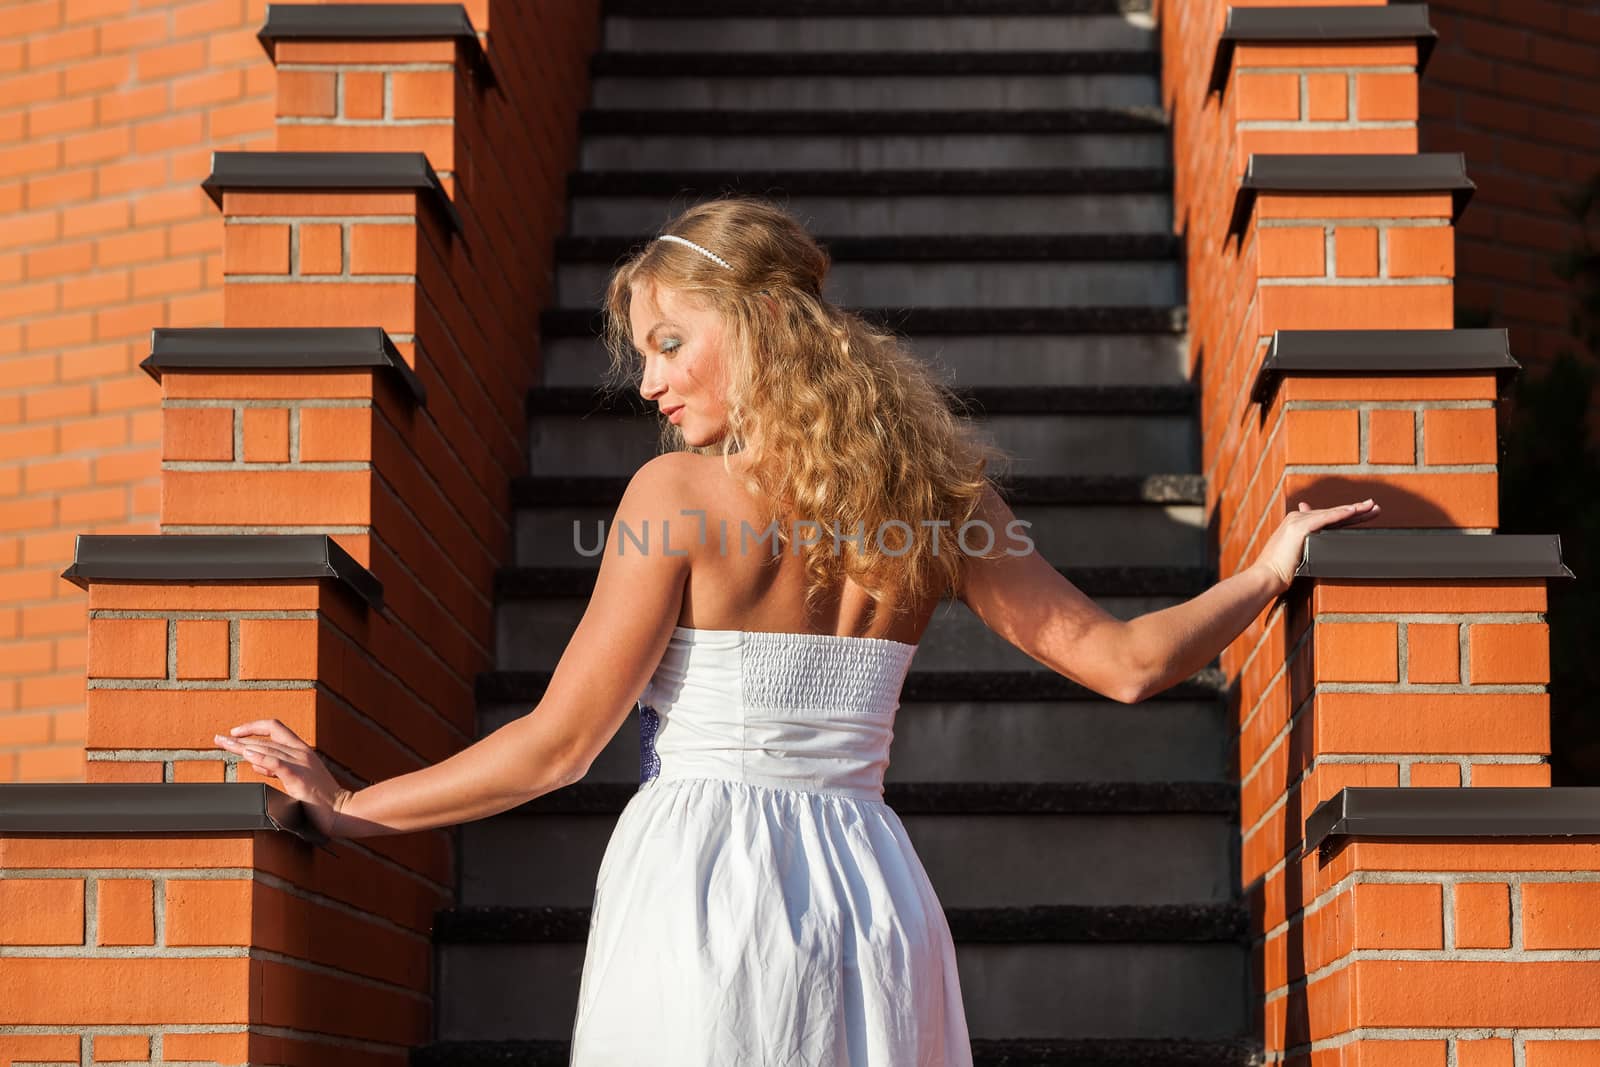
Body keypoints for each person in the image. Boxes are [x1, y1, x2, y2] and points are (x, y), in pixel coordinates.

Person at [212, 196, 1381, 1064]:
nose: (652, 385)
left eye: (671, 343)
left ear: (763, 321)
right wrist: (1267, 571)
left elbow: (559, 745)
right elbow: (1128, 665)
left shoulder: (673, 498)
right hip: (871, 892)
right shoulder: (942, 500)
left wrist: (351, 804)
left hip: (702, 889)